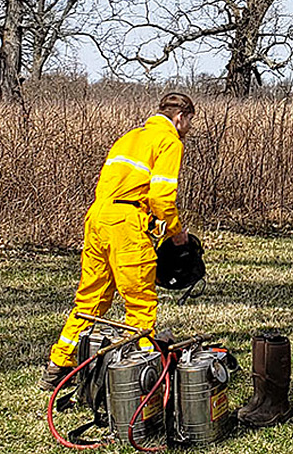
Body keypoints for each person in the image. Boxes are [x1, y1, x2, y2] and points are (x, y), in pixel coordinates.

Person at [42, 93, 195, 389]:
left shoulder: (129, 137)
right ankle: (141, 376)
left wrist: (151, 223)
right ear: (180, 118)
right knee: (139, 301)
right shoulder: (169, 141)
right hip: (126, 225)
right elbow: (161, 196)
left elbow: (122, 189)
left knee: (91, 298)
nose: (188, 127)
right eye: (189, 122)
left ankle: (59, 364)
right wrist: (176, 233)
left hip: (98, 218)